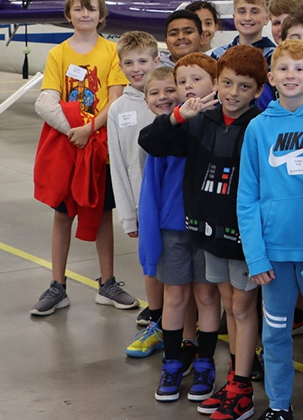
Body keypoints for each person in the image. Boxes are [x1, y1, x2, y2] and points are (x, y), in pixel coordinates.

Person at [139, 46, 266, 420]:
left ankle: (241, 386)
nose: (232, 92)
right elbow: (151, 141)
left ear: (259, 90)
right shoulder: (199, 122)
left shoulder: (259, 126)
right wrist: (179, 115)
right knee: (230, 306)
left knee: (240, 308)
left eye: (243, 86)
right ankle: (232, 381)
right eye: (226, 83)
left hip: (243, 238)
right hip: (209, 235)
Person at [237, 39, 303, 420]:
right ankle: (279, 405)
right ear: (270, 78)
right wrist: (255, 254)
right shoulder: (257, 128)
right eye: (283, 69)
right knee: (275, 335)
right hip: (272, 257)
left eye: (300, 68)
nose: (291, 75)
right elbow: (246, 196)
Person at [30, 0, 138, 316]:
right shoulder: (58, 55)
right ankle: (57, 285)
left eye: (92, 9)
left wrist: (89, 129)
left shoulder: (111, 51)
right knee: (62, 214)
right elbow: (49, 97)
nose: (85, 14)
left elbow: (116, 99)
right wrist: (71, 130)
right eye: (79, 9)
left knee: (102, 212)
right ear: (69, 15)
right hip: (68, 143)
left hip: (99, 144)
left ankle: (107, 283)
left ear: (102, 16)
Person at [135, 64, 224, 406]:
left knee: (206, 297)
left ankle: (204, 363)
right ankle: (172, 363)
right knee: (175, 297)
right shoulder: (166, 130)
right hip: (173, 229)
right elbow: (150, 150)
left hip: (207, 226)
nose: (184, 89)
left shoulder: (217, 123)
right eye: (180, 83)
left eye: (192, 81)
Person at [106, 31, 164, 356]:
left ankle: (184, 323)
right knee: (151, 266)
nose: (136, 68)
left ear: (156, 60)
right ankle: (156, 321)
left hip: (173, 205)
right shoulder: (117, 111)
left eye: (143, 60)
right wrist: (128, 214)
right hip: (143, 208)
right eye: (128, 62)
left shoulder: (169, 98)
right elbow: (119, 166)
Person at [210, 0, 276, 61]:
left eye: (254, 12)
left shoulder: (274, 56)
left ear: (266, 19)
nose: (247, 18)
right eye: (242, 12)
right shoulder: (218, 54)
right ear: (234, 17)